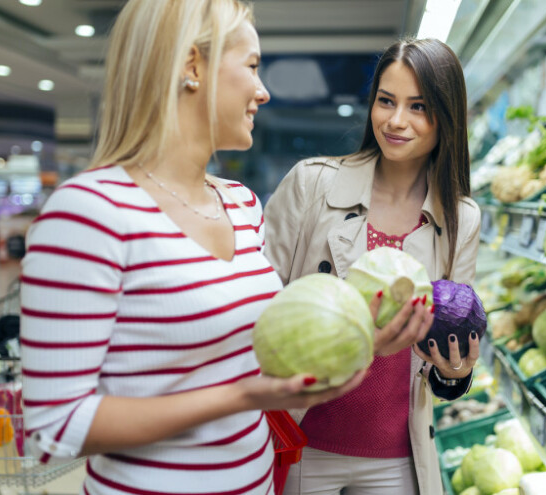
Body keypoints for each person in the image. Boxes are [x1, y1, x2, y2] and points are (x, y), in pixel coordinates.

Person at [19, 1, 364, 494]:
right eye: (251, 66)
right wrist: (240, 397)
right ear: (191, 66)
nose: (263, 91)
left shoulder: (241, 204)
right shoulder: (87, 212)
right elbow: (56, 426)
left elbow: (243, 353)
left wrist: (364, 337)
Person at [263, 38, 483, 495]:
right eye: (386, 101)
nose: (396, 121)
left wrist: (454, 374)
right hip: (306, 440)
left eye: (418, 106)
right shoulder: (312, 184)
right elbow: (258, 303)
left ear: (448, 116)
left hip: (397, 458)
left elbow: (448, 344)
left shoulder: (461, 218)